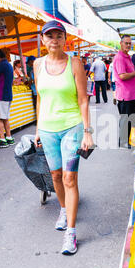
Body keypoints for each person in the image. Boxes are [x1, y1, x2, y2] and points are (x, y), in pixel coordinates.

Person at [33, 20, 94, 255]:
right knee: (56, 176)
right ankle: (62, 208)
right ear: (43, 40)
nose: (54, 40)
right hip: (47, 129)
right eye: (49, 36)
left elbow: (83, 99)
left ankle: (71, 232)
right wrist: (38, 129)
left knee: (70, 179)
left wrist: (87, 132)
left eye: (58, 36)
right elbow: (40, 99)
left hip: (72, 127)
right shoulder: (37, 65)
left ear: (64, 39)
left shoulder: (75, 64)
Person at [113, 35, 135, 149]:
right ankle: (124, 143)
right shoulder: (120, 58)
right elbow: (122, 76)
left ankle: (131, 141)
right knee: (125, 119)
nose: (128, 45)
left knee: (131, 119)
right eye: (126, 43)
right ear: (121, 43)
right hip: (124, 95)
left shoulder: (127, 57)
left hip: (131, 95)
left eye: (130, 43)